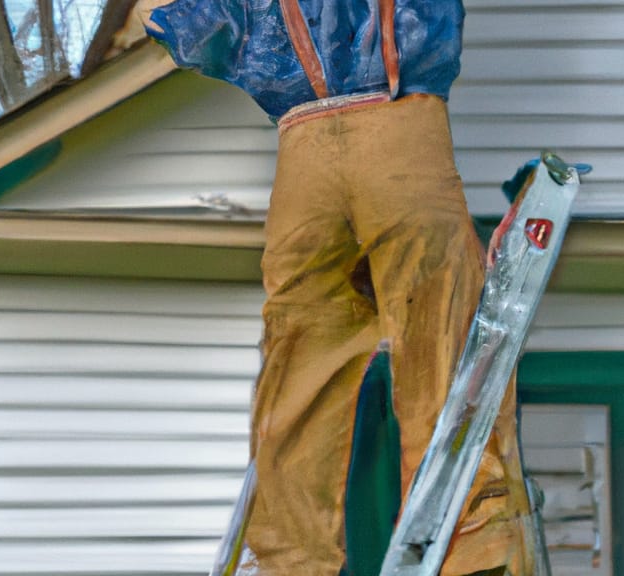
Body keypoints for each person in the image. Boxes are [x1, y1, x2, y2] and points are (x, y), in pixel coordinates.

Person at [137, 1, 531, 574]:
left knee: (301, 365)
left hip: (302, 157)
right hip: (402, 134)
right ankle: (468, 540)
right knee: (439, 343)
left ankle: (289, 558)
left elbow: (177, 24)